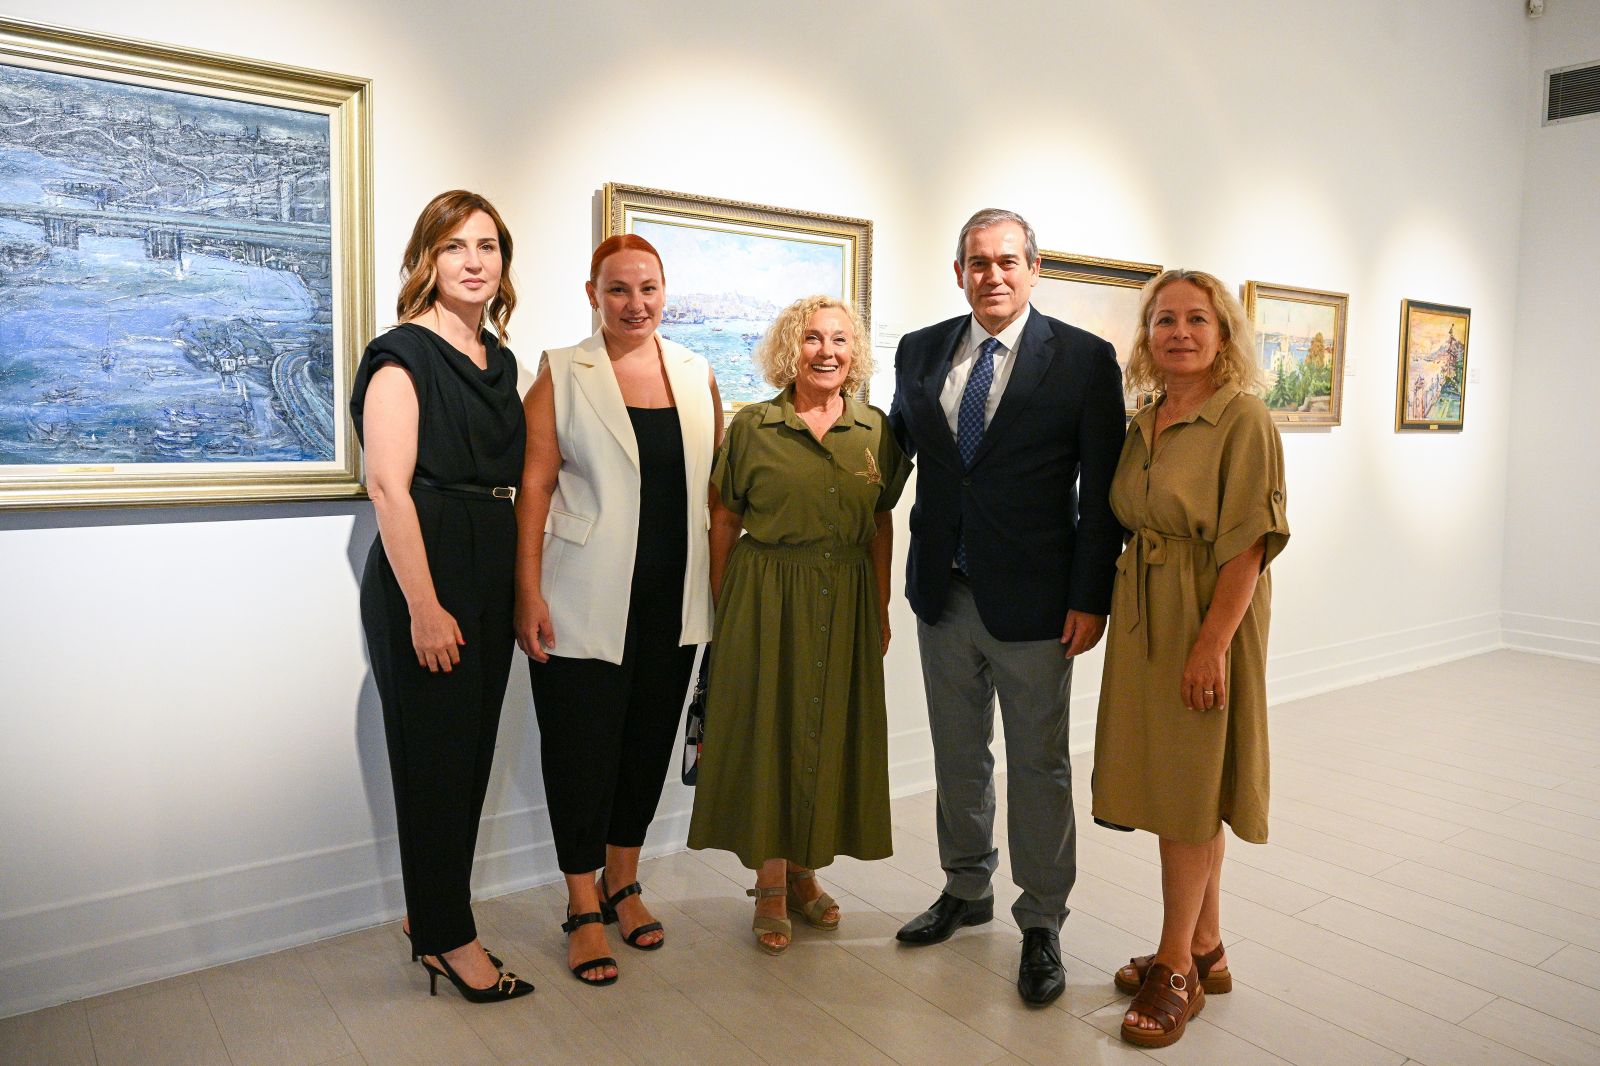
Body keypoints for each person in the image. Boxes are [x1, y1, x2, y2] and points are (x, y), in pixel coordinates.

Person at [887, 208, 1125, 1005]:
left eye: (1007, 260)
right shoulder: (920, 350)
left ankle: (1043, 918)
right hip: (942, 593)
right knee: (958, 755)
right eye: (978, 262)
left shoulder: (1084, 360)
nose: (993, 274)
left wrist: (1091, 597)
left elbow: (1103, 494)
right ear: (959, 272)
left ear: (1034, 268)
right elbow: (894, 451)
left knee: (1038, 763)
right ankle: (966, 886)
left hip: (1037, 603)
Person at [515, 235, 720, 986]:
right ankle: (581, 905)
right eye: (618, 290)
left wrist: (723, 595)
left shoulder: (697, 374)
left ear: (666, 291)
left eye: (648, 288)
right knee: (579, 754)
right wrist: (526, 592)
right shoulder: (561, 372)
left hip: (674, 603)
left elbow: (716, 494)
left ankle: (623, 883)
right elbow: (535, 486)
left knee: (645, 748)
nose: (636, 304)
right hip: (579, 599)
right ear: (592, 295)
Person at [1092, 269, 1289, 1049]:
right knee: (1185, 779)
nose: (1179, 332)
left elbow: (1250, 546)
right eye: (1164, 320)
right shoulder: (1146, 418)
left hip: (1208, 611)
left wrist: (1211, 646)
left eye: (1196, 319)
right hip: (1147, 609)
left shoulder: (1244, 418)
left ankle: (1176, 967)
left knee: (1188, 787)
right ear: (1147, 336)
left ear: (1224, 333)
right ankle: (1207, 945)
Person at [350, 190, 532, 1003]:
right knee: (436, 764)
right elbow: (388, 488)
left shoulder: (500, 361)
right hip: (428, 571)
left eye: (487, 246)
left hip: (488, 560)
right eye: (455, 246)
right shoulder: (401, 355)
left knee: (469, 758)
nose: (473, 261)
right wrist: (424, 607)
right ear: (428, 258)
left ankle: (429, 913)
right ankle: (450, 939)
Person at [687, 295, 909, 955]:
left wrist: (880, 605)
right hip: (765, 595)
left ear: (854, 352)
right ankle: (771, 883)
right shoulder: (755, 426)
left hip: (846, 595)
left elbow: (879, 521)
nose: (826, 351)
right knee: (772, 733)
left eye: (839, 340)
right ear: (791, 348)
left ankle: (806, 869)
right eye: (812, 338)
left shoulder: (874, 429)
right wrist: (725, 607)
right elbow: (723, 518)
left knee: (826, 730)